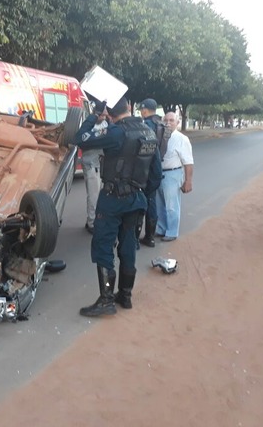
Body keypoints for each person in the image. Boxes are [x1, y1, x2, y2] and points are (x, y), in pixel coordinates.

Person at [74, 99, 162, 316]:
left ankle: (106, 299)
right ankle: (125, 295)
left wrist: (95, 115)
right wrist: (141, 192)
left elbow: (79, 138)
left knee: (103, 246)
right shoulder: (149, 132)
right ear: (130, 108)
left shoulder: (115, 133)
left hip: (113, 199)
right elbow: (156, 173)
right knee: (128, 246)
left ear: (109, 113)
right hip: (137, 199)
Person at [155, 111, 193, 242]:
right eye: (166, 120)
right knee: (159, 204)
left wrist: (188, 181)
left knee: (171, 206)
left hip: (173, 174)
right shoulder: (159, 136)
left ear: (177, 122)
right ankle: (161, 228)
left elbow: (188, 162)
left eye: (171, 120)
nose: (168, 123)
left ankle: (171, 232)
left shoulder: (182, 139)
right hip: (159, 173)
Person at [135, 98, 166, 247]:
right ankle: (150, 236)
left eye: (141, 109)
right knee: (152, 203)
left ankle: (135, 238)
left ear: (145, 109)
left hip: (145, 169)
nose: (141, 112)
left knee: (140, 203)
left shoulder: (145, 125)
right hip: (156, 167)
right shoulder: (161, 124)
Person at [81, 108, 109, 234]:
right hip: (90, 164)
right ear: (95, 113)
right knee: (93, 196)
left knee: (101, 196)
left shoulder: (106, 124)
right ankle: (91, 223)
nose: (103, 118)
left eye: (105, 115)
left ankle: (96, 220)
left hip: (101, 164)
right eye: (101, 115)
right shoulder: (87, 125)